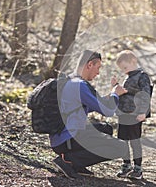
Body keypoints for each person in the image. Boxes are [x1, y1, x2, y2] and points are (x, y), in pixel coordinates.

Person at [51, 50, 129, 179]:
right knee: (121, 147)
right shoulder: (80, 85)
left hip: (60, 137)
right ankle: (69, 160)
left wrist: (110, 96)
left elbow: (88, 105)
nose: (98, 73)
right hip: (68, 138)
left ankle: (76, 163)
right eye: (98, 68)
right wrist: (115, 94)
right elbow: (107, 111)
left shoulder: (70, 80)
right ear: (89, 65)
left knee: (106, 129)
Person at [111, 50, 152, 180]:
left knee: (135, 141)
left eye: (125, 67)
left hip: (135, 114)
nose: (123, 70)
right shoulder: (128, 77)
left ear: (133, 61)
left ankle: (138, 168)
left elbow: (145, 95)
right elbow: (126, 93)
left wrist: (143, 112)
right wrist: (116, 86)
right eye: (121, 68)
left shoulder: (142, 76)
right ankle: (126, 165)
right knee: (123, 140)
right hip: (123, 113)